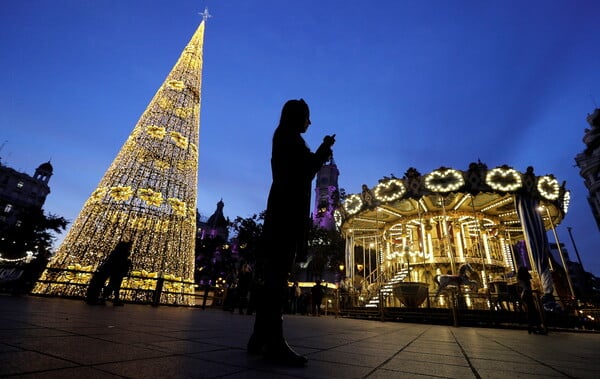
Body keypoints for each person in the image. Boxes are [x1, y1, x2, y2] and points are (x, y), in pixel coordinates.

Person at [247, 99, 335, 366]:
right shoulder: (291, 140)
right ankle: (274, 342)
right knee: (277, 278)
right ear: (298, 118)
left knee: (275, 276)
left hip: (281, 211)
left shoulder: (284, 137)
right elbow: (305, 171)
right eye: (308, 117)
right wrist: (324, 148)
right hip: (286, 213)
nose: (310, 122)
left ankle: (260, 336)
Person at [86, 241, 133, 306]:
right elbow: (120, 262)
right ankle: (107, 299)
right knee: (114, 286)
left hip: (112, 270)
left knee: (113, 286)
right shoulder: (121, 254)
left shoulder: (115, 253)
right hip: (117, 271)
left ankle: (107, 299)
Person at [517, 266, 546, 334]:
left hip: (525, 294)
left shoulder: (521, 279)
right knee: (533, 310)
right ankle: (537, 327)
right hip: (527, 294)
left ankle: (531, 327)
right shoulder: (525, 279)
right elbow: (526, 288)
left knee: (530, 311)